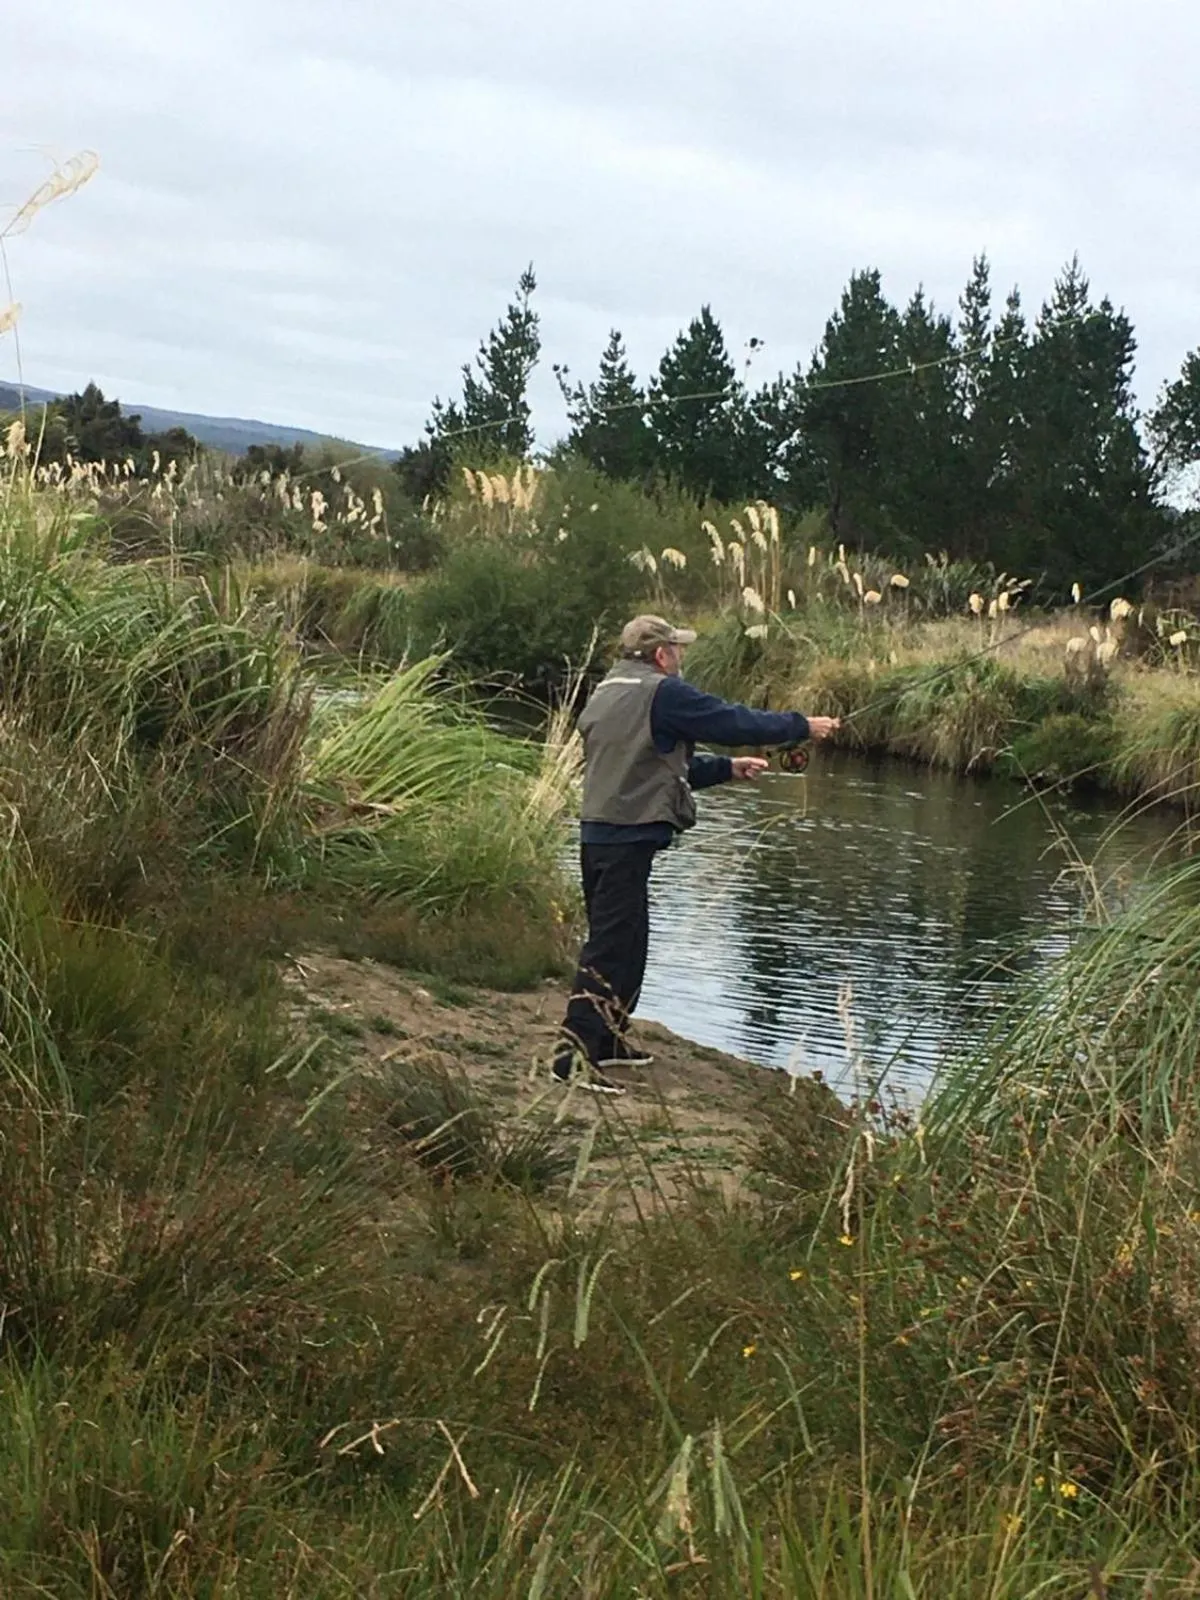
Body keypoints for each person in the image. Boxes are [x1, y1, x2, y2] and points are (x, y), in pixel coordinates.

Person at [553, 613, 840, 1094]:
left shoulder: (609, 691)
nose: (681, 657)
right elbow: (729, 719)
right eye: (677, 649)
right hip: (625, 836)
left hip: (599, 834)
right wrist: (800, 725)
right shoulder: (664, 692)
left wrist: (727, 769)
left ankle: (604, 1039)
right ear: (661, 655)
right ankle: (572, 1057)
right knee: (610, 949)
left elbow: (656, 764)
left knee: (629, 944)